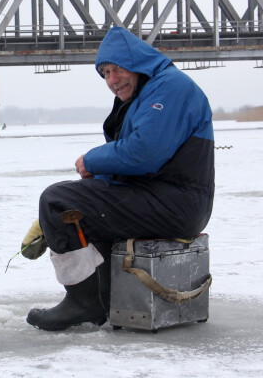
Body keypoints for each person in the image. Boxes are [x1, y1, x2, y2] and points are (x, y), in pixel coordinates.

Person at [21, 26, 215, 331]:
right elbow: (134, 163)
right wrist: (86, 186)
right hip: (161, 197)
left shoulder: (171, 88)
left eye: (117, 69)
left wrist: (91, 160)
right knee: (71, 203)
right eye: (105, 73)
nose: (112, 80)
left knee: (57, 199)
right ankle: (102, 298)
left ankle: (84, 304)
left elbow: (145, 153)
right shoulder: (146, 92)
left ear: (137, 62)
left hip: (176, 201)